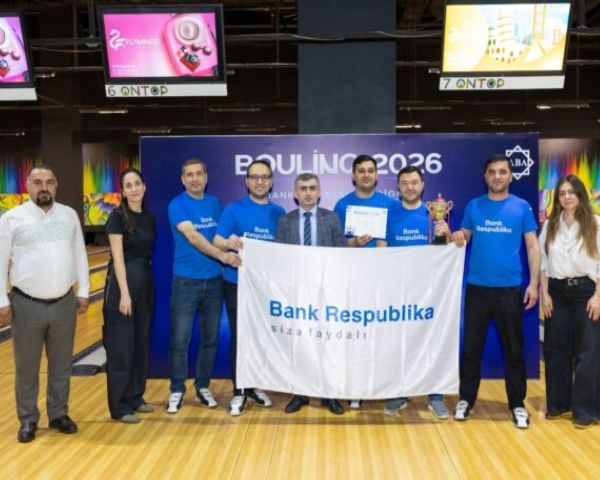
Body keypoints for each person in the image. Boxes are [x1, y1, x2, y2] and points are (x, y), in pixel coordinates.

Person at [0, 165, 89, 443]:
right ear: (28, 186)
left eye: (49, 182)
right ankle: (28, 418)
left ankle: (59, 413)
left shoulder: (69, 215)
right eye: (38, 182)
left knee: (61, 364)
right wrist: (1, 300)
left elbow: (79, 254)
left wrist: (84, 290)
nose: (44, 187)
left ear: (56, 185)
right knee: (27, 367)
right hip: (26, 303)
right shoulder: (11, 218)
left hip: (63, 302)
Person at [451, 154, 540, 429]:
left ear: (510, 176)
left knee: (514, 351)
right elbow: (464, 236)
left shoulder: (521, 207)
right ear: (485, 176)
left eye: (502, 171)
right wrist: (457, 235)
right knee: (471, 349)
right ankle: (466, 399)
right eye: (492, 172)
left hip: (510, 291)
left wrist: (534, 283)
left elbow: (533, 246)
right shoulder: (474, 206)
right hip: (477, 289)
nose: (497, 176)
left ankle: (517, 403)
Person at [166, 159, 240, 414]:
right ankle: (177, 388)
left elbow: (221, 237)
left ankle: (203, 386)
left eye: (199, 174)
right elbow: (193, 237)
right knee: (180, 339)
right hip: (186, 281)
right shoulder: (177, 205)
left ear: (206, 177)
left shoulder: (216, 203)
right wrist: (222, 256)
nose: (195, 178)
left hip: (215, 281)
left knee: (210, 339)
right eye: (190, 175)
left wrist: (233, 244)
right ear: (183, 179)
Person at [376, 166, 450, 420]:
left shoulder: (434, 213)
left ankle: (436, 396)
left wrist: (444, 235)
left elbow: (445, 253)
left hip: (429, 291)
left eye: (414, 182)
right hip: (398, 290)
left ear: (423, 185)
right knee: (400, 344)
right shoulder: (389, 215)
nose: (410, 187)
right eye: (405, 183)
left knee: (432, 342)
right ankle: (401, 392)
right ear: (398, 186)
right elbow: (382, 249)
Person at [213, 159, 285, 416]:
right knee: (240, 336)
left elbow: (284, 251)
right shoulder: (233, 209)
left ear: (271, 181)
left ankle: (255, 385)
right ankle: (239, 390)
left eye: (264, 177)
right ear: (247, 182)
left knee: (261, 337)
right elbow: (217, 240)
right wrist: (229, 244)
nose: (260, 181)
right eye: (254, 177)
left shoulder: (279, 213)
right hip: (236, 283)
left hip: (265, 287)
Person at [333, 154, 400, 408]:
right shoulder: (342, 205)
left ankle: (382, 385)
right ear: (353, 175)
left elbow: (394, 240)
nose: (366, 175)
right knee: (355, 334)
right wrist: (355, 242)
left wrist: (381, 250)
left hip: (383, 279)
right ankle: (356, 388)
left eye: (370, 170)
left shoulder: (390, 204)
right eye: (361, 171)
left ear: (377, 175)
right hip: (353, 280)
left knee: (382, 335)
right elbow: (337, 244)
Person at [276, 173, 346, 415]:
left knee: (328, 342)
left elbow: (340, 252)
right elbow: (278, 257)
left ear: (319, 192)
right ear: (295, 193)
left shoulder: (331, 218)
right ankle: (300, 393)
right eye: (303, 188)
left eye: (312, 188)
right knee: (300, 343)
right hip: (297, 292)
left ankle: (329, 394)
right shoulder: (285, 221)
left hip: (326, 291)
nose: (308, 193)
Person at [539, 175, 600, 429]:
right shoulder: (550, 225)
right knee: (556, 350)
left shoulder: (595, 223)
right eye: (562, 193)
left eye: (571, 192)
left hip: (587, 292)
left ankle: (585, 410)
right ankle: (558, 404)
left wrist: (598, 296)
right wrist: (545, 294)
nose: (567, 197)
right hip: (557, 292)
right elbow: (543, 264)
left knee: (588, 351)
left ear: (580, 195)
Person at [103, 167, 156, 424]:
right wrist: (124, 293)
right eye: (129, 185)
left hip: (145, 284)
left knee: (140, 343)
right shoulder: (117, 218)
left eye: (137, 183)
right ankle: (119, 406)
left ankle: (135, 396)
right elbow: (118, 258)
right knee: (122, 347)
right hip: (122, 286)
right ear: (123, 191)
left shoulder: (149, 217)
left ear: (144, 187)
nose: (134, 189)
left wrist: (143, 290)